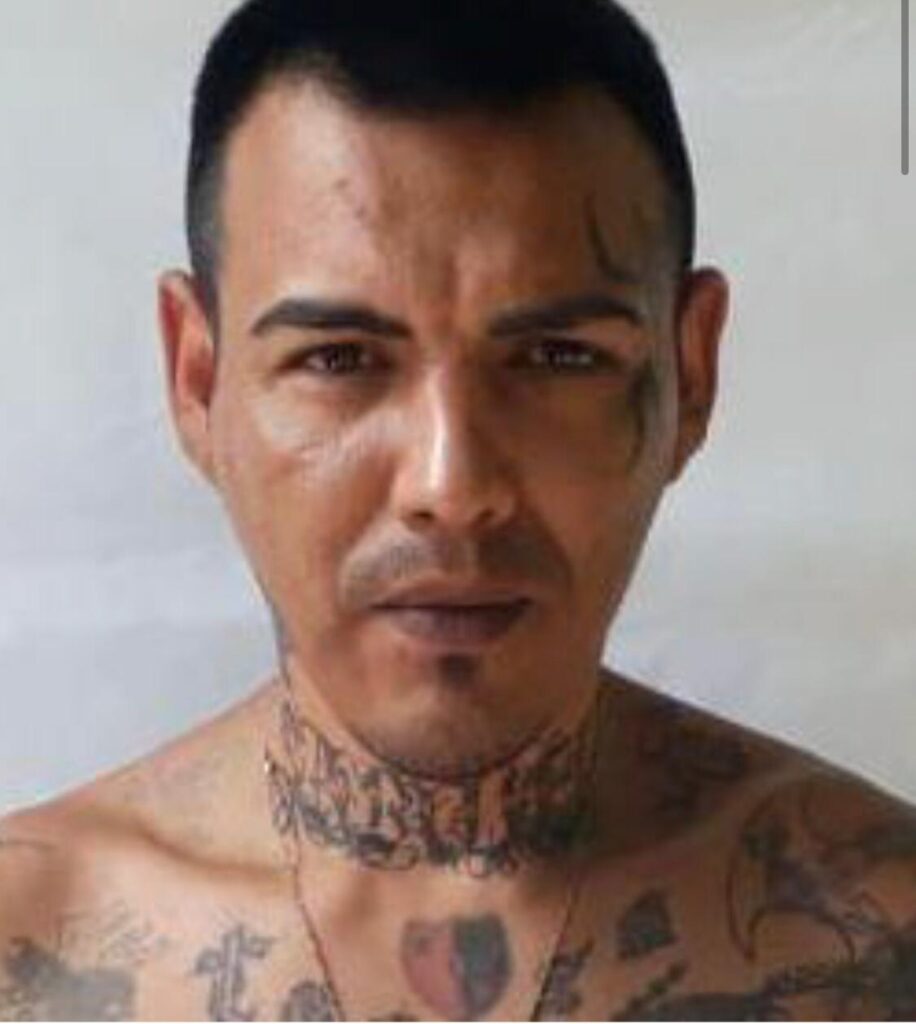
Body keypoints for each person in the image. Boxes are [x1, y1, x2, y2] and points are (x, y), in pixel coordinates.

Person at [2, 0, 914, 1019]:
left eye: (556, 357)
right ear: (198, 381)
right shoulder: (25, 943)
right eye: (338, 359)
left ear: (689, 373)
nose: (450, 485)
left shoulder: (881, 937)